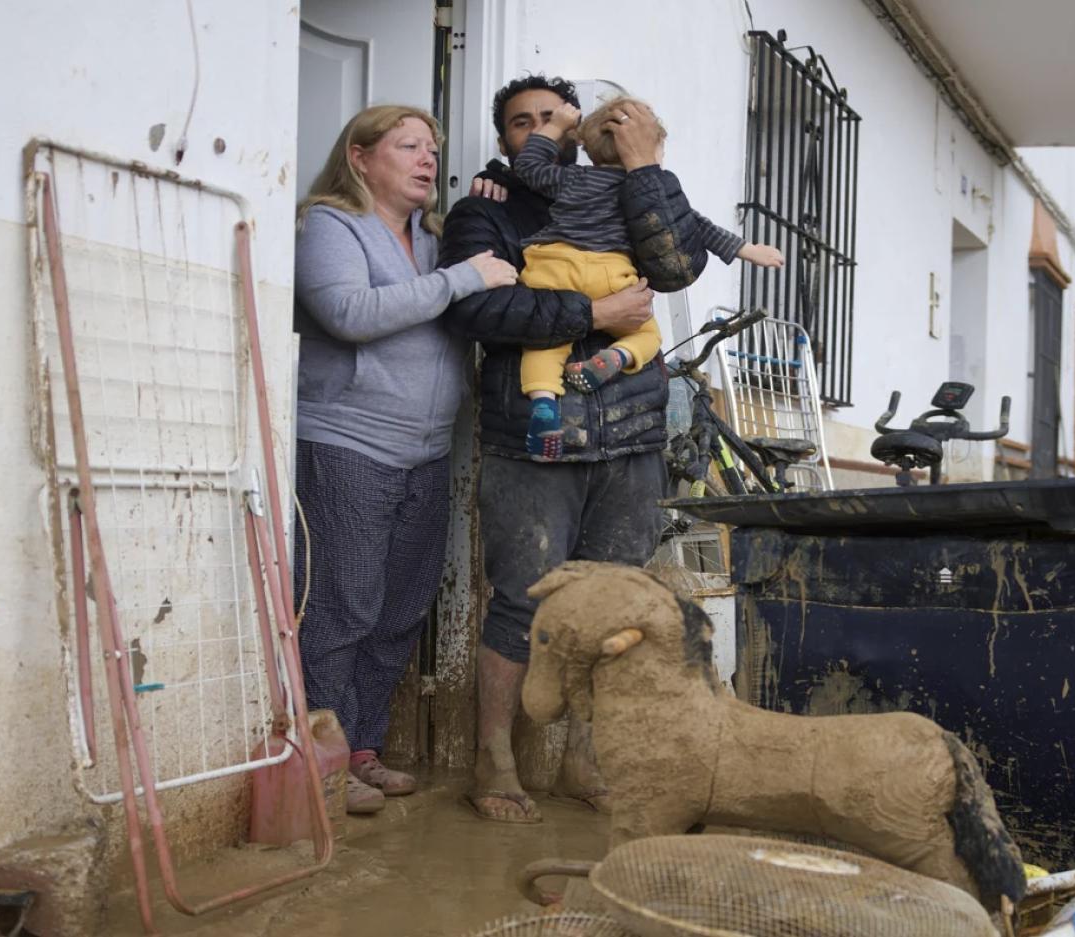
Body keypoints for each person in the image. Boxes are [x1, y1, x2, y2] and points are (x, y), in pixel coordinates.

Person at [437, 77, 713, 824]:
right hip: (534, 439)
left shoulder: (628, 195)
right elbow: (478, 310)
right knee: (521, 603)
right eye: (519, 122)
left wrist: (645, 166)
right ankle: (494, 756)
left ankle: (583, 757)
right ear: (506, 141)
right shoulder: (486, 211)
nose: (537, 129)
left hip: (632, 440)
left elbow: (678, 268)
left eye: (549, 116)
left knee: (609, 609)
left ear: (577, 126)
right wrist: (594, 312)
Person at [293, 105, 522, 815]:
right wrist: (463, 280)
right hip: (347, 442)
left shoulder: (436, 239)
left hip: (427, 452)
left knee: (398, 612)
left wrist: (495, 202)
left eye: (432, 149)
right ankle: (322, 762)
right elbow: (349, 313)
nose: (428, 159)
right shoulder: (328, 225)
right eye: (408, 146)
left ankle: (362, 747)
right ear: (359, 157)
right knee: (342, 607)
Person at [511, 96, 783, 459]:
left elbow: (528, 166)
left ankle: (544, 402)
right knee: (646, 334)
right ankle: (618, 356)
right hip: (610, 271)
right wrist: (747, 249)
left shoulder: (573, 178)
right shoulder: (638, 190)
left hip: (553, 265)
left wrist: (556, 125)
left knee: (544, 345)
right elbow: (696, 225)